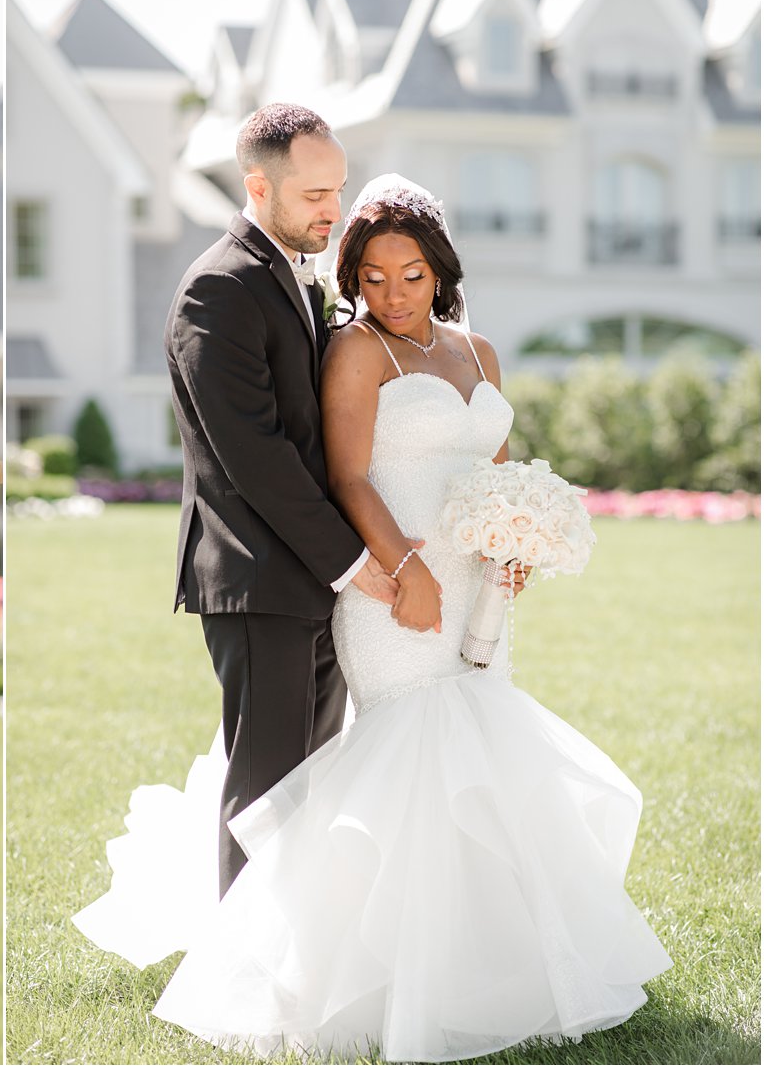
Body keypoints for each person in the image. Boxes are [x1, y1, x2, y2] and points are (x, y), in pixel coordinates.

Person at [74, 176, 671, 1062]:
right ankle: (365, 978)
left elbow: (497, 470)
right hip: (395, 586)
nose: (393, 294)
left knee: (483, 747)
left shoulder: (480, 352)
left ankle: (490, 967)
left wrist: (517, 542)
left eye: (412, 275)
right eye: (375, 276)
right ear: (353, 276)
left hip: (479, 586)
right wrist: (399, 567)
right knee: (412, 752)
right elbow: (350, 476)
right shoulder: (355, 351)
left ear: (441, 273)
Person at [152, 103, 403, 899]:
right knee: (264, 792)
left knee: (308, 782)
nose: (334, 210)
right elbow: (254, 456)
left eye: (338, 189)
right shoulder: (216, 291)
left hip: (311, 580)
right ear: (258, 186)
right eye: (314, 195)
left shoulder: (296, 279)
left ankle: (294, 955)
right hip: (260, 580)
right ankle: (242, 984)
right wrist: (355, 559)